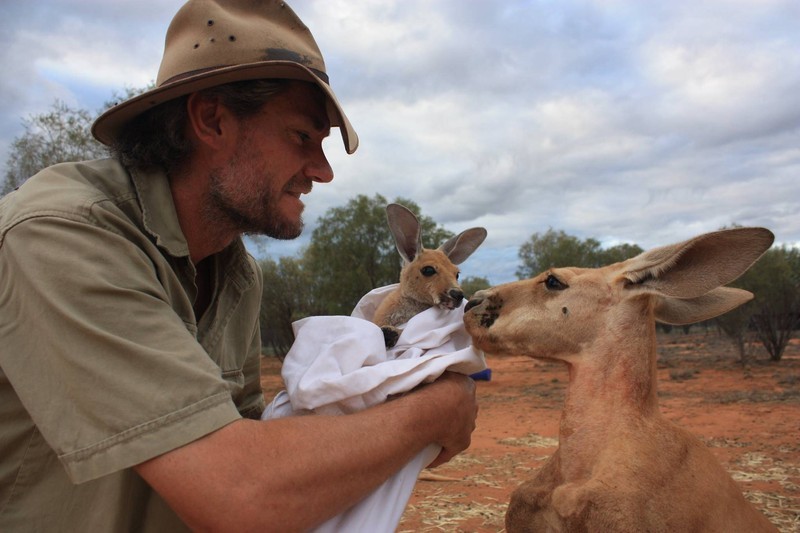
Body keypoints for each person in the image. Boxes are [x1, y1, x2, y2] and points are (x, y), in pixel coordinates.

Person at [0, 1, 478, 531]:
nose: (322, 172)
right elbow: (239, 494)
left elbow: (252, 437)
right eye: (302, 137)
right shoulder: (62, 235)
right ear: (211, 119)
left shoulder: (237, 271)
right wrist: (433, 414)